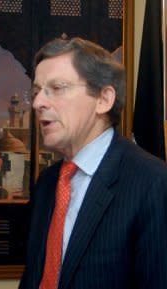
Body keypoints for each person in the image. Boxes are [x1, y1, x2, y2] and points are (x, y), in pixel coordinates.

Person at [19, 37, 167, 289]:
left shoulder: (152, 183)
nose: (37, 103)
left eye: (56, 88)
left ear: (103, 99)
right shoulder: (47, 183)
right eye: (36, 91)